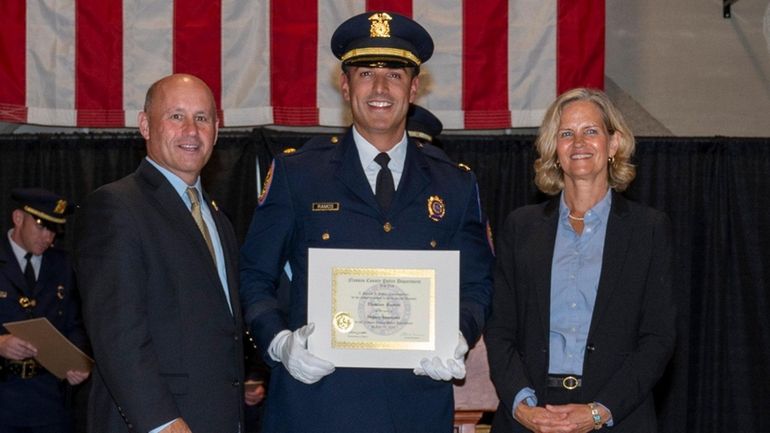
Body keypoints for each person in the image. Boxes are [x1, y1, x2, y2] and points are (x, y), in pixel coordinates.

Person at [239, 11, 494, 433]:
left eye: (394, 74)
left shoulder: (455, 184)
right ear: (345, 85)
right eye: (365, 73)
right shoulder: (297, 174)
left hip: (414, 408)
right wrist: (280, 344)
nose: (379, 88)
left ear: (414, 88)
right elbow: (253, 275)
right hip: (316, 406)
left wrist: (461, 333)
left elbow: (478, 284)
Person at [485, 88, 676, 433]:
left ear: (613, 143)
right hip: (531, 417)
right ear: (554, 149)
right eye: (566, 134)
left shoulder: (648, 229)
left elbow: (658, 338)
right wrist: (523, 406)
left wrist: (599, 411)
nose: (579, 143)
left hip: (617, 417)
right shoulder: (521, 226)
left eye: (591, 131)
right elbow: (499, 331)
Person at [73, 73, 244, 433]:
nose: (191, 130)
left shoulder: (217, 219)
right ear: (145, 126)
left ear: (216, 128)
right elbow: (117, 333)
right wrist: (162, 422)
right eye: (176, 116)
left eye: (202, 118)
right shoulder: (116, 206)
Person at [0, 188, 90, 433]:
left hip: (49, 399)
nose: (48, 237)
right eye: (41, 226)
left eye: (53, 230)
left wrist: (79, 361)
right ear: (18, 218)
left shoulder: (62, 264)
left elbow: (76, 323)